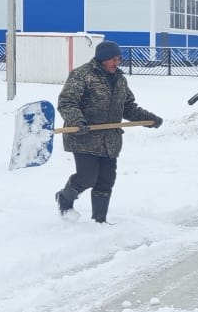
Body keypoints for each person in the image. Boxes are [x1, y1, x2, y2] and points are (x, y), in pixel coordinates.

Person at [55, 39, 163, 223]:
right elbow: (67, 102)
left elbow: (128, 107)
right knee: (87, 177)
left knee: (106, 180)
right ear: (102, 59)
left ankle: (99, 221)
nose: (117, 63)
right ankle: (64, 198)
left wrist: (148, 118)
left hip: (110, 138)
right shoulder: (81, 75)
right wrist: (77, 120)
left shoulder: (120, 80)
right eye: (113, 59)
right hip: (84, 136)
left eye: (119, 59)